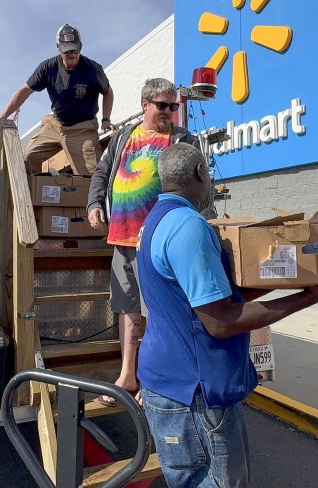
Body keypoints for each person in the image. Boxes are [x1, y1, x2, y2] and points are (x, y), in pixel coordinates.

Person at [136, 142, 318, 487]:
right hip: (195, 393)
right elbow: (221, 322)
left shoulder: (155, 221)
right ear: (200, 172)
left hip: (169, 382)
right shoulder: (188, 226)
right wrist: (314, 296)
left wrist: (296, 282)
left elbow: (211, 300)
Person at [86, 78, 202, 405]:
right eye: (162, 105)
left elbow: (199, 184)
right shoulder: (124, 136)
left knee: (159, 311)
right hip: (122, 237)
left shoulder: (183, 140)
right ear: (144, 104)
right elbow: (101, 173)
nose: (168, 112)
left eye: (173, 106)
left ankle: (152, 379)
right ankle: (127, 375)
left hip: (158, 242)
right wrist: (94, 204)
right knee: (128, 308)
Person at [0, 24, 115, 176]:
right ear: (58, 48)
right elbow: (24, 91)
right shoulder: (48, 68)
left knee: (91, 176)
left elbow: (108, 92)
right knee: (28, 158)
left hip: (82, 128)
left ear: (80, 47)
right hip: (55, 124)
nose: (72, 55)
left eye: (75, 50)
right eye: (67, 51)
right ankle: (33, 190)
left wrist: (106, 120)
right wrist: (2, 118)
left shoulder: (92, 69)